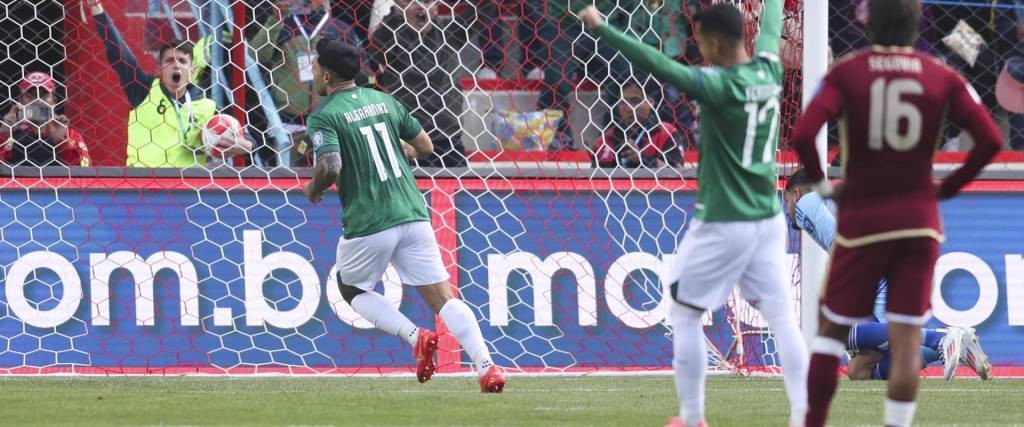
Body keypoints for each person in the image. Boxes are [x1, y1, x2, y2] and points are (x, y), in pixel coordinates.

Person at [579, 3, 809, 427]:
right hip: (767, 218)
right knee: (781, 318)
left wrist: (603, 28)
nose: (699, 51)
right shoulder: (769, 70)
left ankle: (693, 417)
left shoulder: (719, 84)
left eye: (701, 42)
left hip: (723, 221)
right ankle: (804, 416)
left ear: (717, 41)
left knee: (684, 313)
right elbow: (773, 26)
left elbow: (661, 66)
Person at [789, 0, 1004, 425]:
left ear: (865, 21)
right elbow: (990, 139)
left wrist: (823, 185)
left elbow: (804, 133)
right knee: (900, 344)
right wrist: (946, 189)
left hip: (865, 220)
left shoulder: (848, 72)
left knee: (830, 335)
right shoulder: (941, 75)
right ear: (918, 25)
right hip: (919, 222)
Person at [301, 39, 505, 392]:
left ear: (328, 75)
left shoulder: (324, 114)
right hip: (412, 212)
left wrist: (314, 189)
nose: (314, 72)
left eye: (317, 66)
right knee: (443, 298)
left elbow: (331, 165)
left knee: (351, 290)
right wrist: (395, 150)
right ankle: (487, 367)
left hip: (369, 220)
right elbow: (425, 146)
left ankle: (415, 336)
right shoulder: (384, 100)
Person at [784, 170, 993, 382]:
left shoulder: (807, 202)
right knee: (859, 370)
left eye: (787, 201)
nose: (787, 209)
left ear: (796, 194)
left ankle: (939, 339)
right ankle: (957, 341)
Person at [90, 0, 251, 167]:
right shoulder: (143, 89)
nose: (176, 65)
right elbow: (119, 53)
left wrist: (245, 146)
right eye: (169, 61)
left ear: (193, 71)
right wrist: (96, 7)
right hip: (142, 185)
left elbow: (246, 139)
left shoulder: (208, 106)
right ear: (160, 70)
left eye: (182, 61)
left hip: (189, 187)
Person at [369, 0, 468, 167]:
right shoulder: (393, 34)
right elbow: (376, 47)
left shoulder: (449, 32)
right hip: (406, 141)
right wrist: (397, 12)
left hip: (447, 140)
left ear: (436, 9)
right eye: (412, 2)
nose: (421, 7)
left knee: (458, 189)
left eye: (427, 2)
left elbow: (478, 13)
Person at [252, 0, 364, 125]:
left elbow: (365, 73)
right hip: (288, 119)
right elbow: (257, 56)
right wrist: (275, 21)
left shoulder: (340, 29)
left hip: (332, 118)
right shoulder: (282, 26)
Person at [0, 72, 90, 167]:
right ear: (20, 100)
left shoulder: (70, 135)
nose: (38, 100)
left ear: (54, 101)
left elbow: (85, 171)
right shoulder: (10, 132)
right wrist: (3, 135)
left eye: (44, 96)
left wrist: (61, 142)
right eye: (31, 96)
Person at [593, 80, 683, 169]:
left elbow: (678, 171)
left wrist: (642, 159)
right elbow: (595, 177)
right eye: (623, 102)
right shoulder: (606, 139)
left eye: (635, 101)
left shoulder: (667, 133)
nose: (629, 108)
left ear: (650, 102)